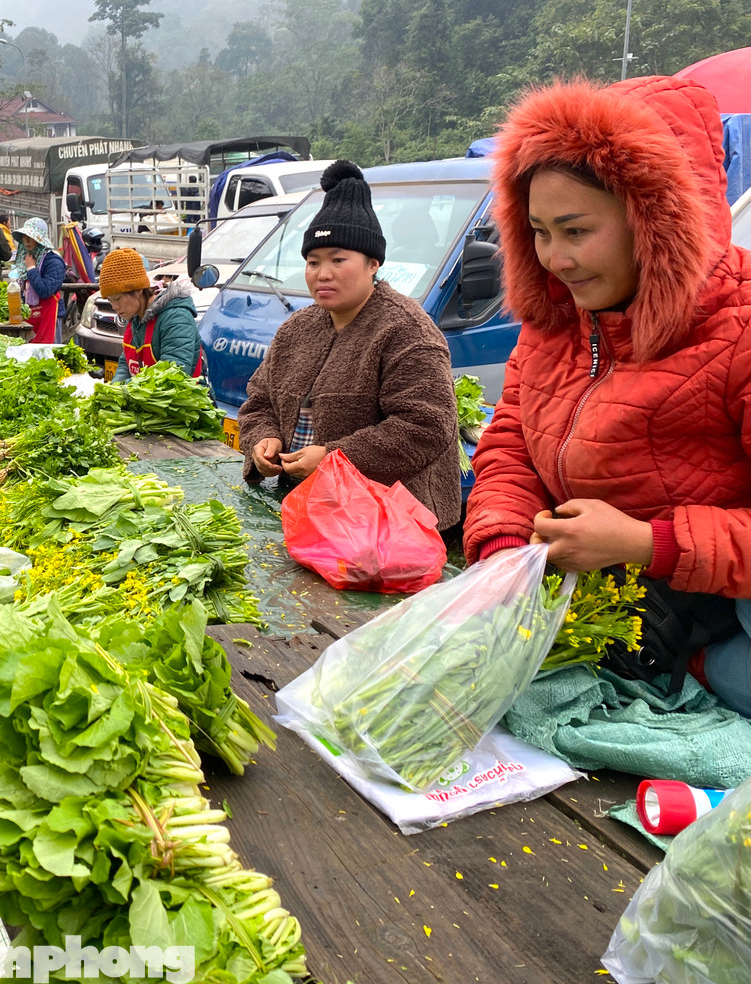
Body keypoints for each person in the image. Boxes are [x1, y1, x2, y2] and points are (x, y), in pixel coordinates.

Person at [463, 77, 751, 713]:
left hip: (712, 616)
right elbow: (511, 442)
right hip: (600, 612)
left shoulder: (740, 325)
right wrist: (505, 548)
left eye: (575, 231)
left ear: (655, 224)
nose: (554, 260)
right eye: (538, 231)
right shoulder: (557, 318)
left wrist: (647, 543)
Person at [235, 160, 461, 528]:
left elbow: (426, 427)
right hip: (303, 504)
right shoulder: (296, 329)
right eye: (313, 262)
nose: (323, 273)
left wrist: (333, 458)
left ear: (373, 264)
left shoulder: (408, 330)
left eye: (338, 260)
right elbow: (259, 402)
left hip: (389, 523)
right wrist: (264, 439)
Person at [100, 248, 201, 383]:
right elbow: (126, 363)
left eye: (118, 298)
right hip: (145, 394)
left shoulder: (176, 318)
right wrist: (113, 388)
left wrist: (123, 389)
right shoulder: (136, 319)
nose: (114, 306)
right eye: (110, 301)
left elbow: (173, 376)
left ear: (138, 290)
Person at [13, 217, 66, 344]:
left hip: (50, 315)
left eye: (31, 237)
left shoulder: (53, 261)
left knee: (49, 351)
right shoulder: (27, 258)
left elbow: (45, 291)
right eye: (25, 236)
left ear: (40, 239)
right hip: (31, 316)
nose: (27, 240)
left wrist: (31, 269)